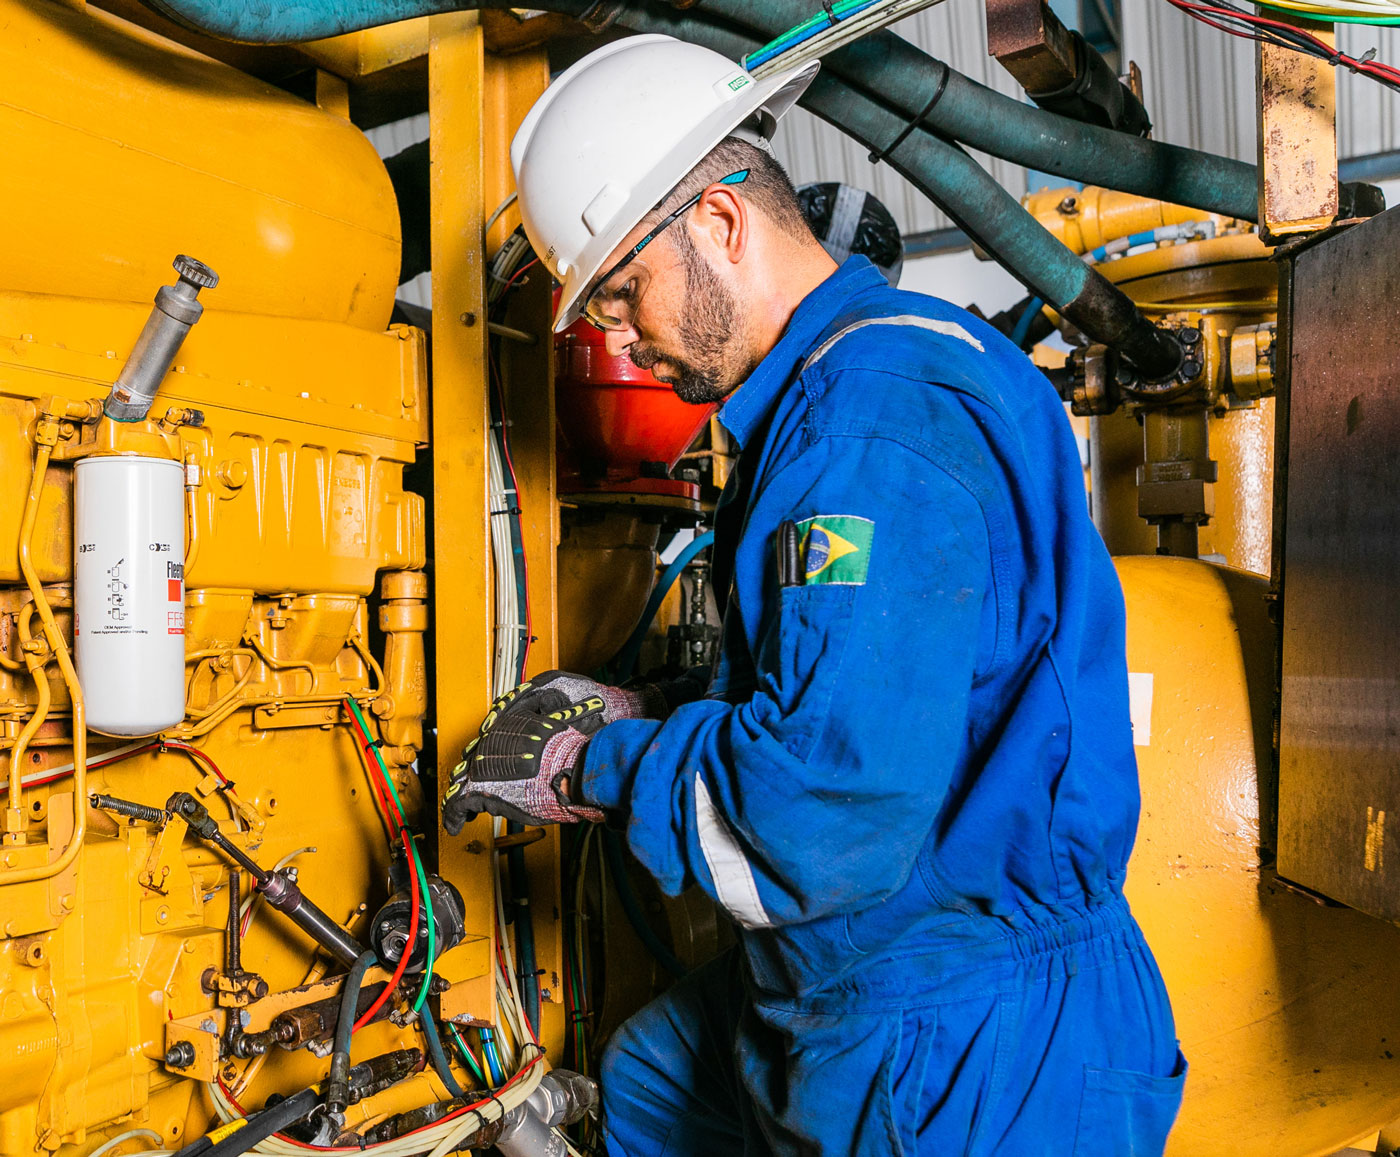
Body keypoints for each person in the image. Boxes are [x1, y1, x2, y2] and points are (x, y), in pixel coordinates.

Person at [442, 34, 1186, 1156]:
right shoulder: (865, 381)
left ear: (721, 223)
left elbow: (818, 815)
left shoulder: (864, 426)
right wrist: (657, 710)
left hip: (964, 1034)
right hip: (871, 973)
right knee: (647, 1084)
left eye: (625, 293)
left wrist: (590, 762)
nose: (625, 340)